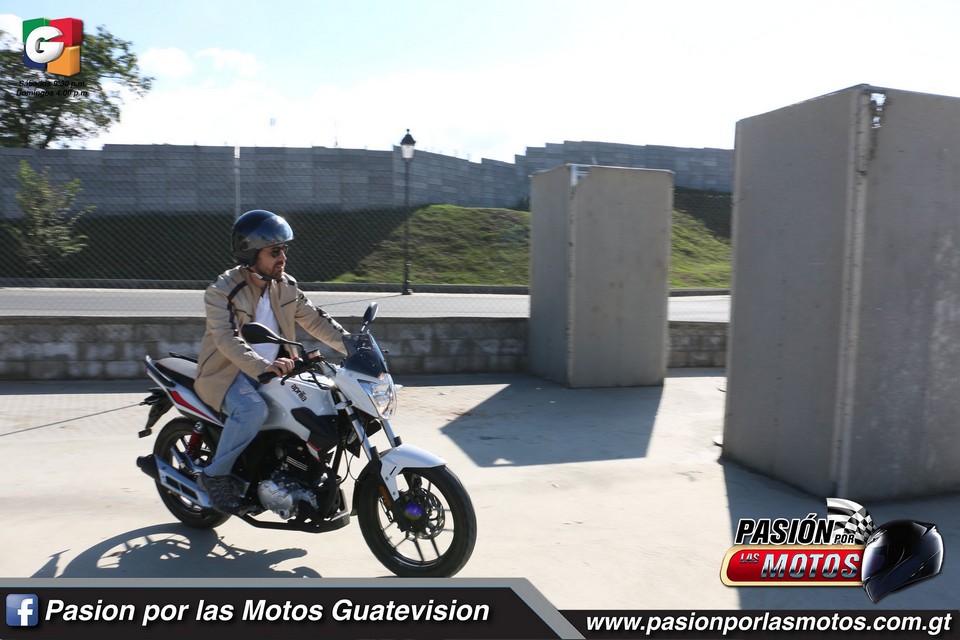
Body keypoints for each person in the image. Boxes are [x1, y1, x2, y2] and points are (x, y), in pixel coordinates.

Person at [194, 209, 348, 513]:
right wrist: (261, 366)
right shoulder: (222, 290)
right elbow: (227, 338)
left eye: (284, 250)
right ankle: (215, 475)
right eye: (275, 251)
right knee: (252, 409)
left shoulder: (285, 285)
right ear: (251, 253)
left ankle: (297, 473)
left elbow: (316, 320)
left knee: (324, 403)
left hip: (276, 371)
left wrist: (353, 345)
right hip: (227, 374)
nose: (283, 258)